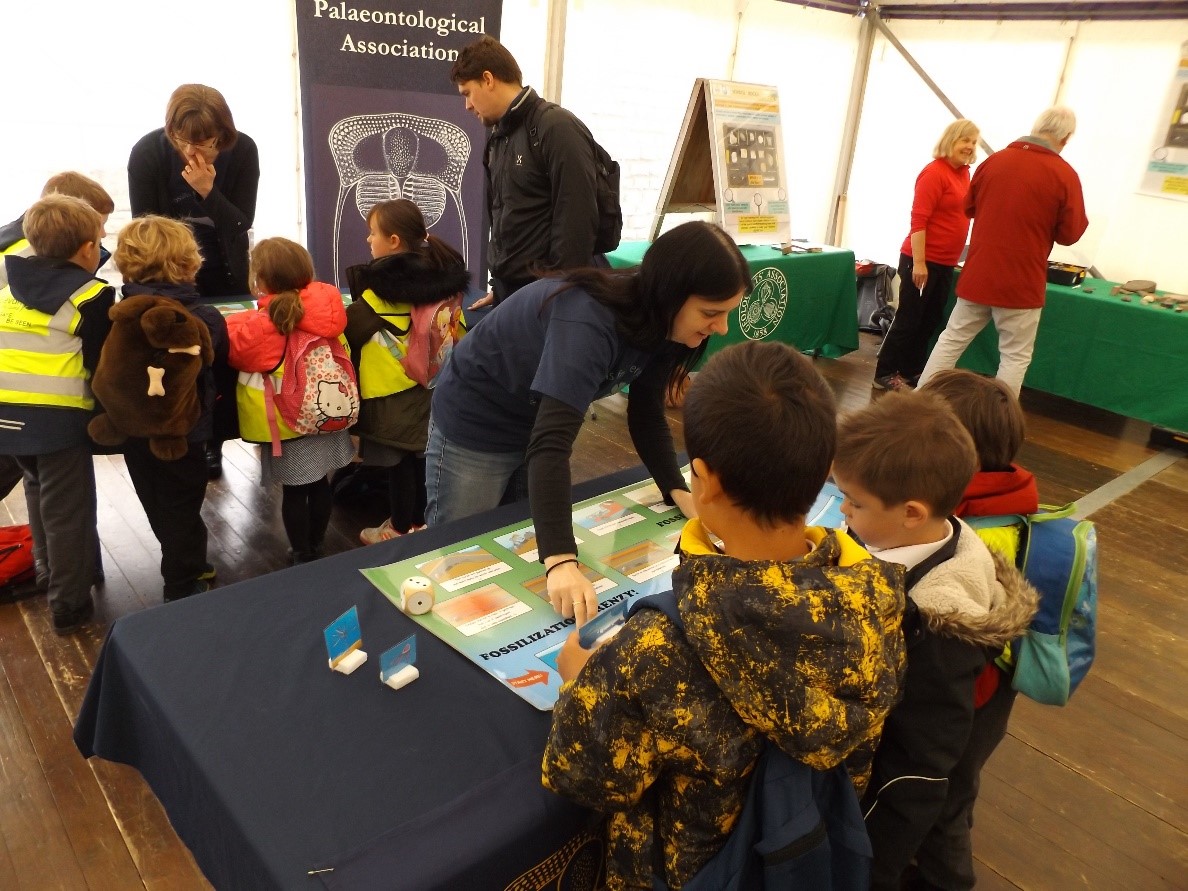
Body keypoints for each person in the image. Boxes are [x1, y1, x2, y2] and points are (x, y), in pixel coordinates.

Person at [541, 341, 906, 891]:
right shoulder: (876, 600)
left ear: (704, 480)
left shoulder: (657, 648)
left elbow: (586, 777)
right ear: (823, 467)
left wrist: (577, 682)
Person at [426, 220, 751, 623]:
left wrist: (674, 487)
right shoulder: (588, 320)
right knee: (462, 549)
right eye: (711, 313)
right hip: (477, 420)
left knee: (517, 539)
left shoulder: (665, 326)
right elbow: (552, 445)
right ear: (672, 294)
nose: (721, 328)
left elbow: (646, 412)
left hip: (532, 419)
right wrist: (562, 559)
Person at [831, 390, 1038, 891]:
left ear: (910, 513)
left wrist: (867, 872)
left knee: (942, 831)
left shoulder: (939, 629)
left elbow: (915, 777)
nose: (842, 509)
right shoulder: (924, 533)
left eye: (855, 503)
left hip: (885, 799)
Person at [911, 369, 1039, 889]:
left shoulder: (965, 537)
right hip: (995, 693)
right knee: (958, 795)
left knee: (942, 806)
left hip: (965, 697)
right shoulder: (1014, 506)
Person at [129, 83, 260, 478]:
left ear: (223, 134)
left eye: (206, 144)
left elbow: (240, 223)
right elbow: (146, 229)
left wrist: (207, 191)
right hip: (171, 274)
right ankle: (182, 439)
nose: (194, 154)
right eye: (185, 143)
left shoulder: (244, 151)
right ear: (172, 132)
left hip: (226, 271)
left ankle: (213, 443)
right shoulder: (149, 152)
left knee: (220, 357)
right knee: (178, 361)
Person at [0, 195, 114, 634]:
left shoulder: (8, 289)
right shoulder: (93, 296)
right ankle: (68, 604)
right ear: (87, 250)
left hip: (7, 418)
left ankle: (47, 574)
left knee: (36, 489)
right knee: (68, 511)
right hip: (56, 420)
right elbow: (102, 364)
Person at [917, 107, 1088, 397]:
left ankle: (919, 400)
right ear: (1066, 137)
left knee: (952, 339)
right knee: (1014, 356)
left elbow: (969, 208)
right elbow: (1070, 234)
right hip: (1021, 282)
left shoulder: (993, 162)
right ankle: (1001, 424)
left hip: (979, 275)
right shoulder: (1064, 174)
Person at [112, 216, 227, 601]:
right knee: (183, 503)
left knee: (156, 500)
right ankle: (181, 584)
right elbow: (211, 363)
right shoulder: (203, 317)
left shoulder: (118, 313)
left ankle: (187, 560)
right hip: (185, 430)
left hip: (131, 427)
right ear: (188, 263)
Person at [345, 199, 469, 545]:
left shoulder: (382, 291)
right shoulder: (443, 279)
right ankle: (420, 522)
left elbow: (352, 329)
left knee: (397, 466)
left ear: (395, 241)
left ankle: (398, 529)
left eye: (373, 234)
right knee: (422, 459)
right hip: (432, 386)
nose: (369, 240)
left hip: (390, 393)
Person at [450, 34, 604, 307]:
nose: (467, 105)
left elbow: (577, 220)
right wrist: (500, 288)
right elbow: (506, 219)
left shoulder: (556, 127)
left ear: (488, 79)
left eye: (467, 93)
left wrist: (556, 297)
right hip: (512, 295)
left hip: (547, 299)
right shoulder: (499, 137)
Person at [227, 238, 354, 564]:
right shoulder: (328, 310)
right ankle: (318, 543)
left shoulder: (268, 322)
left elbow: (238, 351)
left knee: (296, 492)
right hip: (328, 415)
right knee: (321, 485)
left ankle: (301, 553)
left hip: (288, 420)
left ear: (261, 280)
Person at [0, 173, 116, 505]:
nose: (105, 234)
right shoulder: (27, 257)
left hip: (10, 388)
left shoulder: (19, 247)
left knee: (35, 484)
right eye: (98, 225)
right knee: (61, 503)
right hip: (44, 404)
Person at [873, 119, 980, 391]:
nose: (969, 146)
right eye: (964, 140)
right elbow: (918, 221)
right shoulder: (935, 173)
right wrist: (919, 263)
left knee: (929, 320)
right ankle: (884, 372)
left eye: (973, 141)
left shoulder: (964, 174)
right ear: (950, 141)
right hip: (920, 260)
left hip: (945, 262)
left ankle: (910, 370)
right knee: (909, 319)